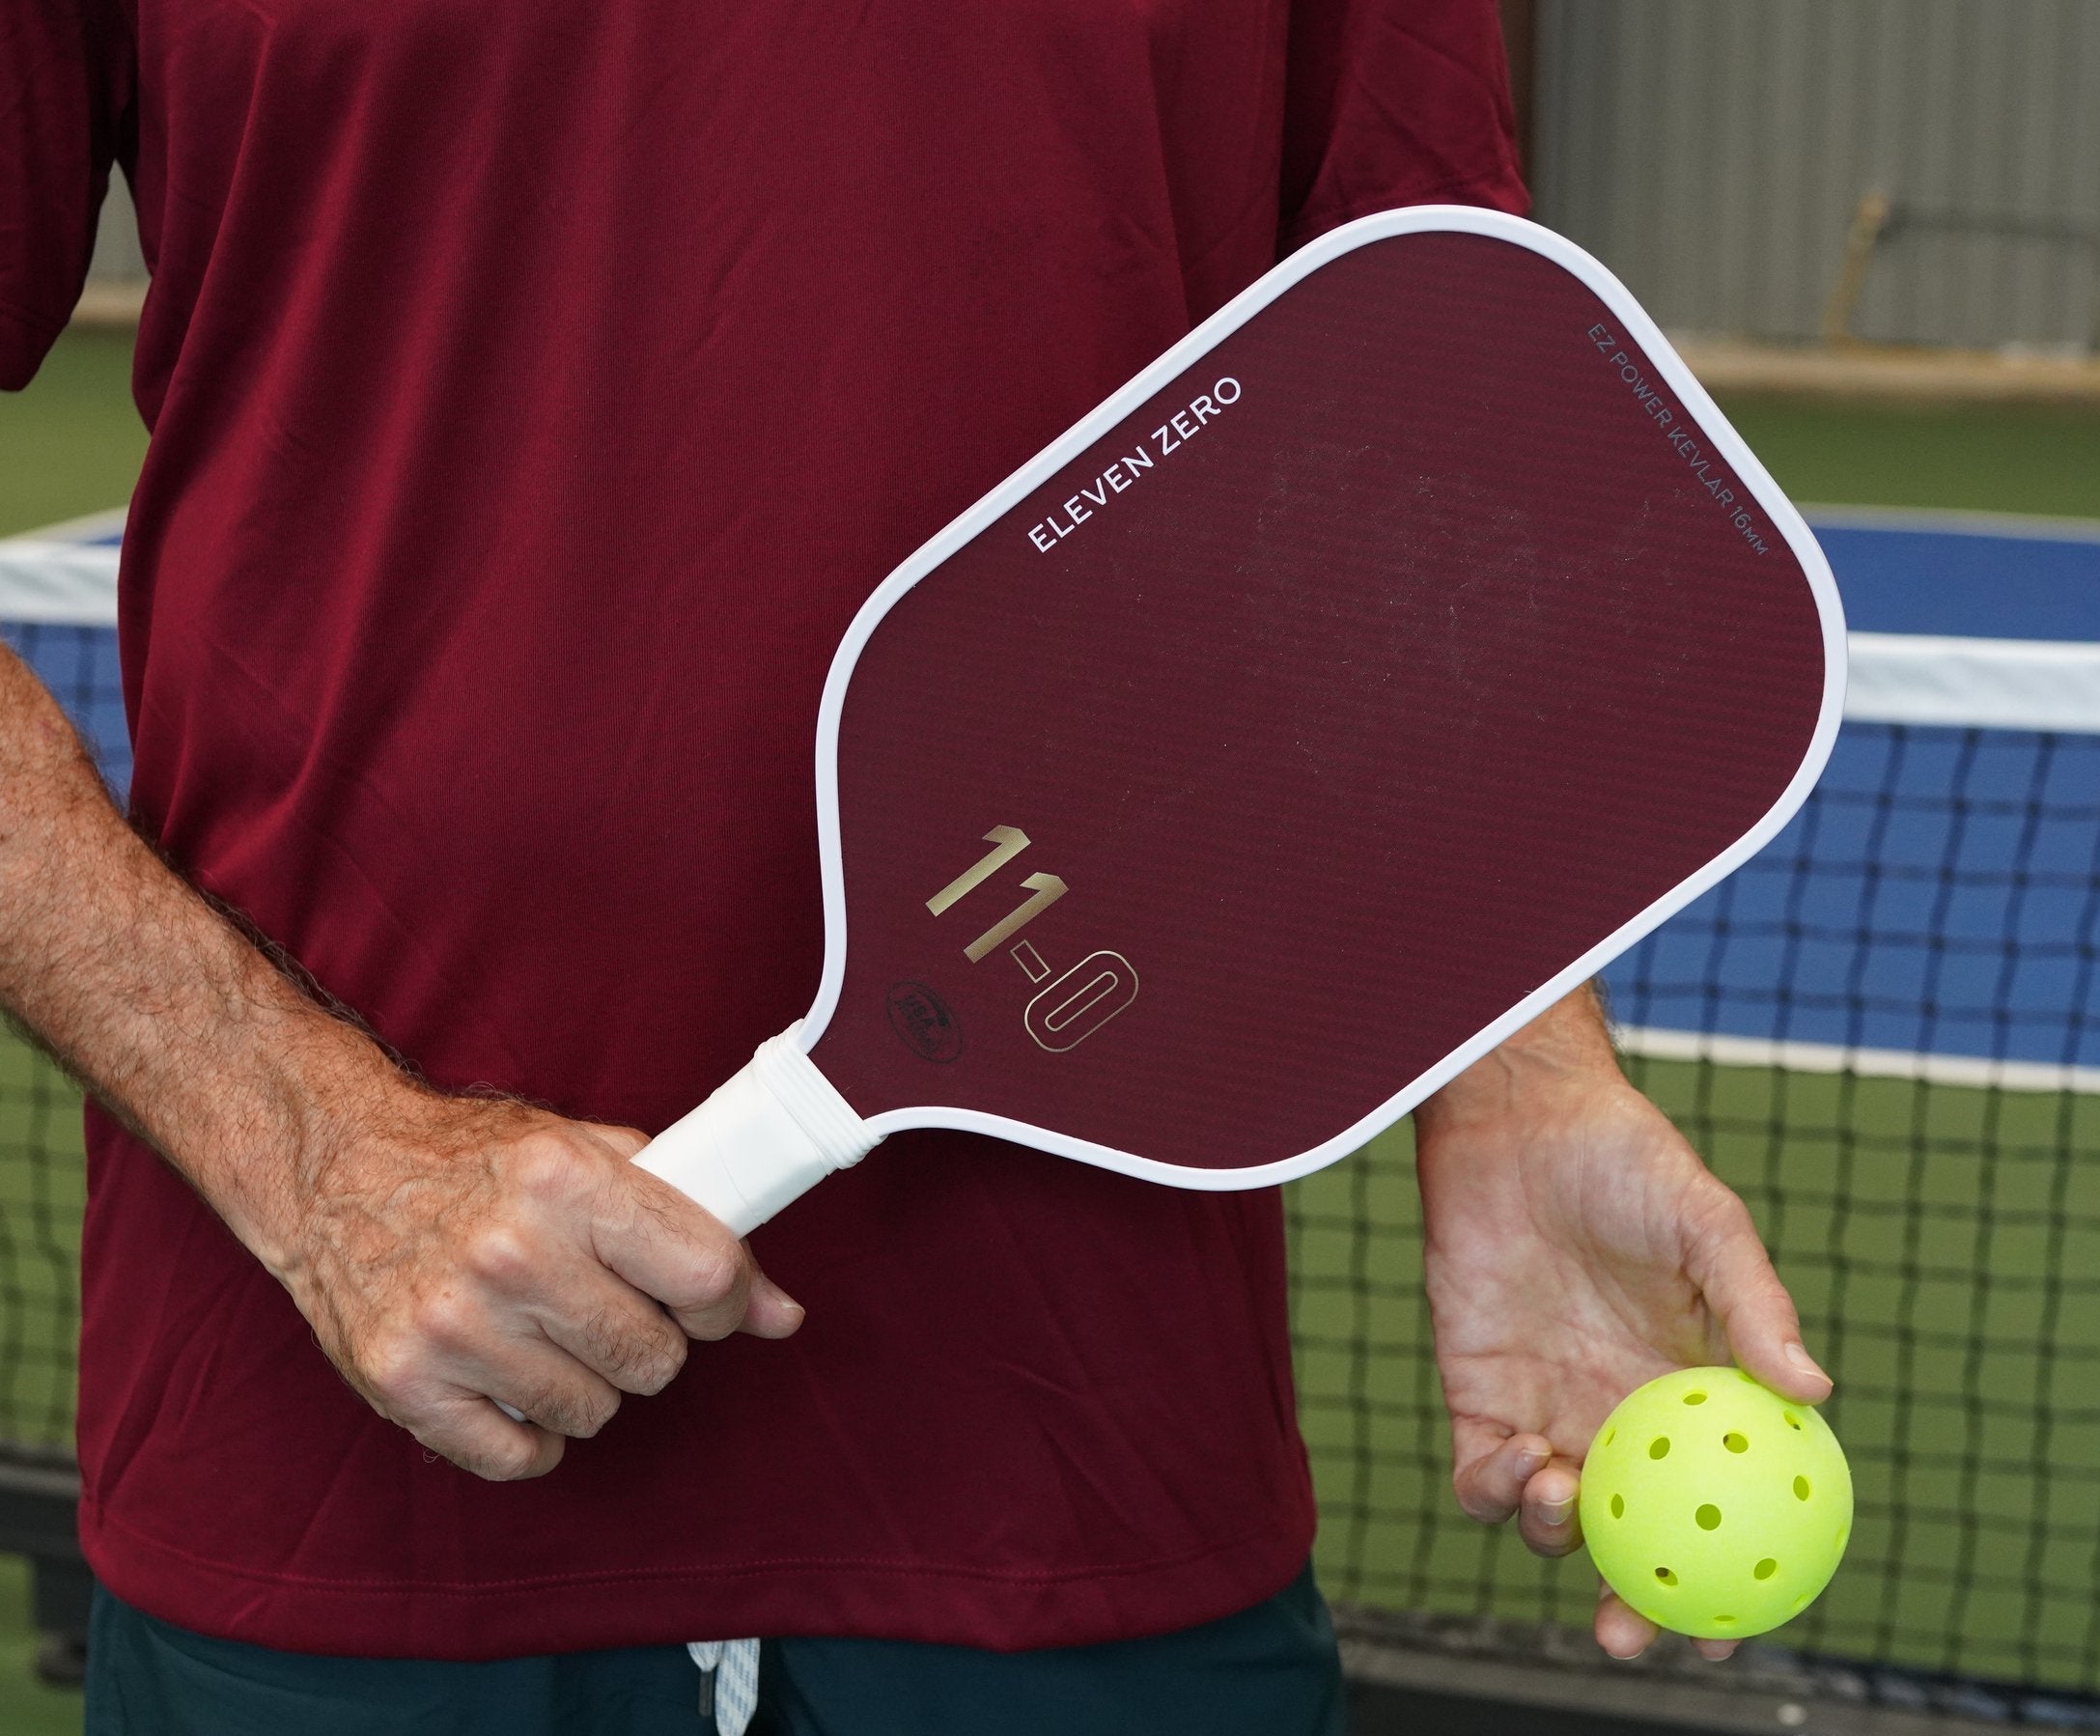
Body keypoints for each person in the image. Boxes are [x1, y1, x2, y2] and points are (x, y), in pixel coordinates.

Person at [0, 4, 1831, 1731]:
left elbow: (1423, 414)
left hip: (1081, 1452)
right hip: (334, 1466)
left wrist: (1514, 1065)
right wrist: (315, 1150)